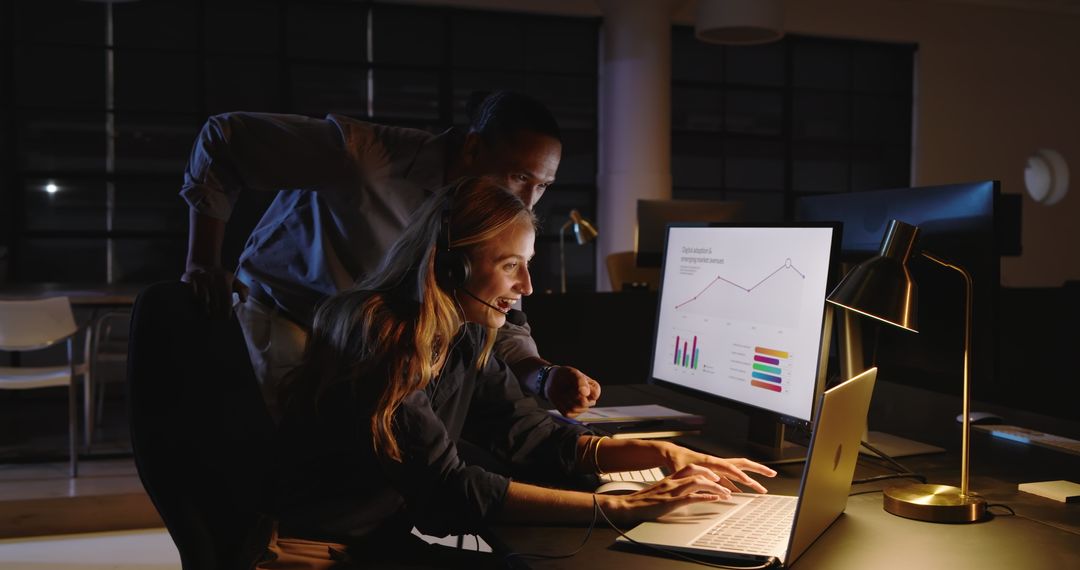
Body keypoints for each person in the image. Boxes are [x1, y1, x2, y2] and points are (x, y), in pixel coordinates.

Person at [263, 178, 776, 568]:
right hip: (312, 551)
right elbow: (449, 491)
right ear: (451, 265)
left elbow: (529, 435)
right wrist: (622, 507)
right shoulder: (378, 334)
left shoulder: (460, 333)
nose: (528, 286)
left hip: (377, 539)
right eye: (511, 265)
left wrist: (661, 452)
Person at [178, 91, 600, 417]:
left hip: (369, 350)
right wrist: (203, 261)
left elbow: (500, 316)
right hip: (288, 319)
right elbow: (223, 139)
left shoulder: (490, 218)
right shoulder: (365, 159)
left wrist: (544, 377)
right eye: (519, 176)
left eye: (542, 185)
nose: (528, 201)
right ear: (472, 149)